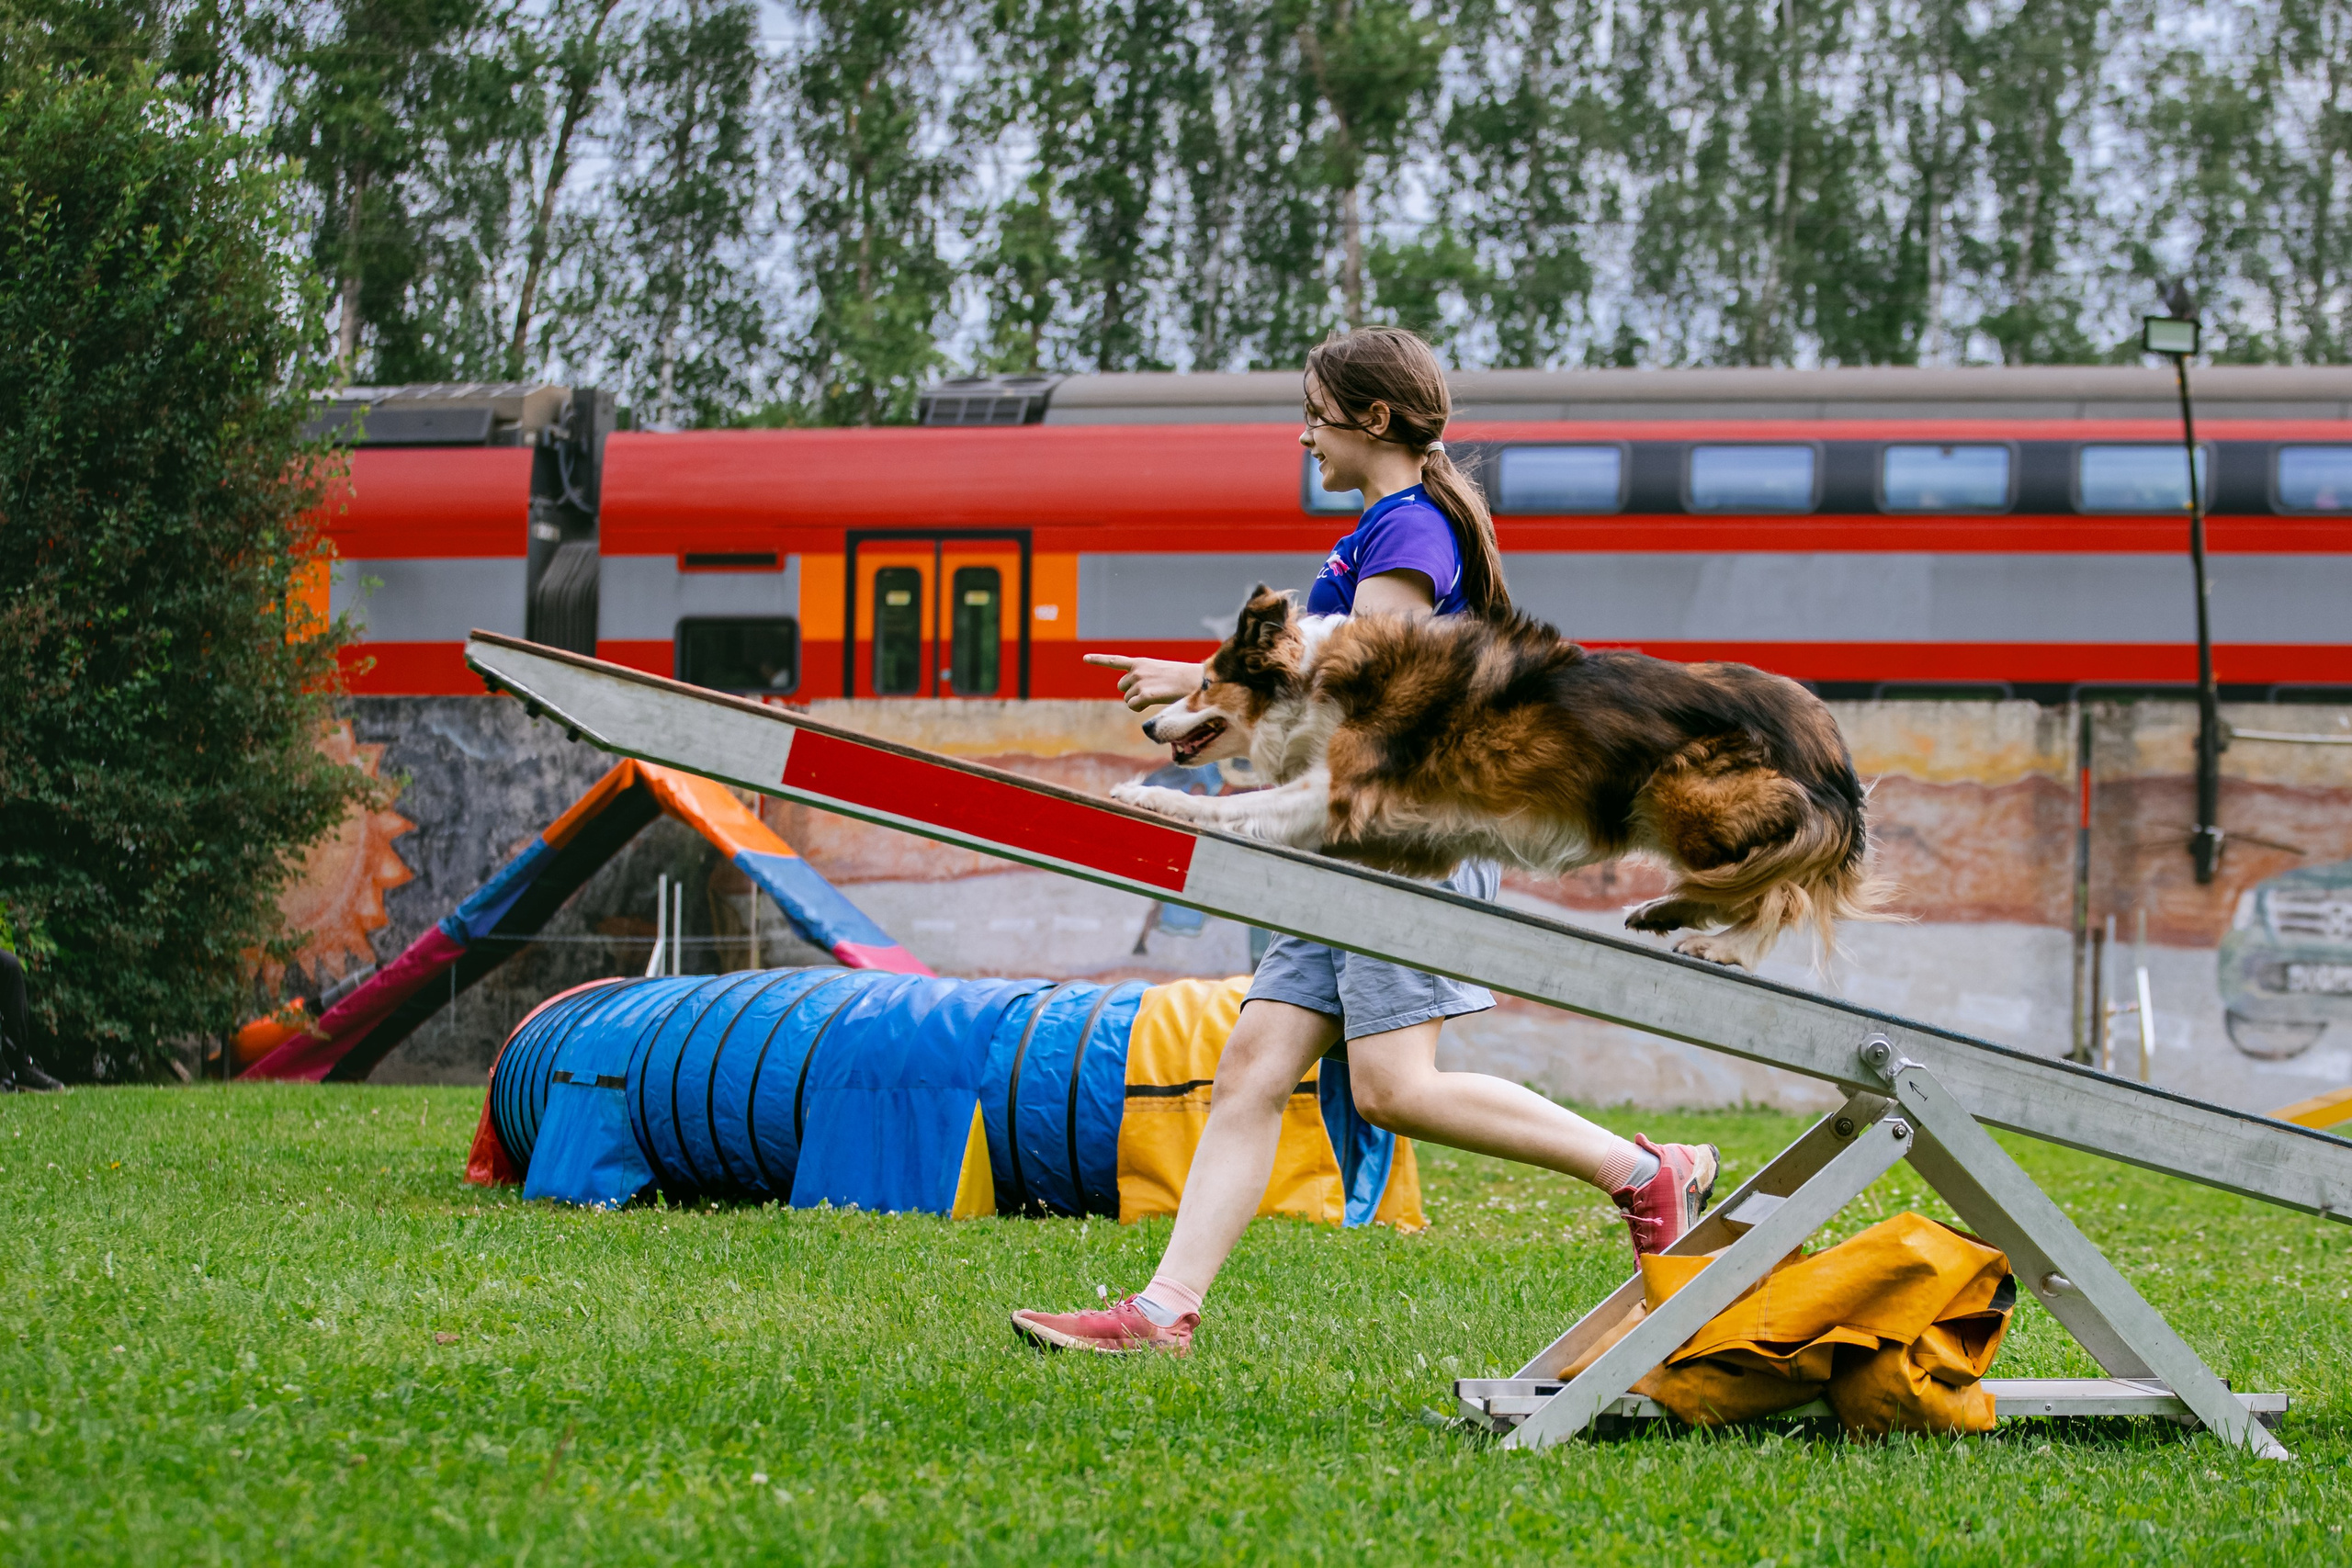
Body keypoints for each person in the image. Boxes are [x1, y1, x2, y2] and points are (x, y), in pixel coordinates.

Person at [1009, 326, 1716, 1356]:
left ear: (1371, 419)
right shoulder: (1383, 531)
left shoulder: (1410, 533)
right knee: (1251, 1066)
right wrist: (1196, 683)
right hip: (1348, 843)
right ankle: (1163, 1313)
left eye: (1313, 412)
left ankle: (1644, 1172)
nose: (1303, 435)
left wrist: (1205, 693)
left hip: (1403, 840)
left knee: (1394, 1088)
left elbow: (1366, 697)